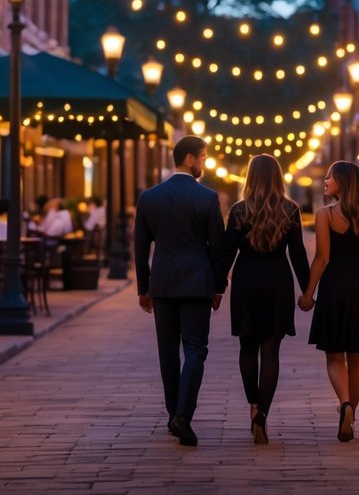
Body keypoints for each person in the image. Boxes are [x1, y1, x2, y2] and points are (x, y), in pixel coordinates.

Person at [133, 135, 225, 447]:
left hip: (163, 283)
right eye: (203, 156)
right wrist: (218, 286)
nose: (204, 162)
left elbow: (140, 247)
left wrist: (143, 288)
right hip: (197, 283)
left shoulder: (149, 198)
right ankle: (183, 414)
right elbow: (218, 248)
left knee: (168, 352)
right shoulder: (207, 198)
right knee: (197, 349)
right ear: (190, 158)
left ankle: (174, 412)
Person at [215, 154, 310, 445]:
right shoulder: (290, 210)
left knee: (247, 348)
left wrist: (217, 288)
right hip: (277, 282)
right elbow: (298, 254)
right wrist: (308, 290)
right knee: (271, 351)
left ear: (250, 177)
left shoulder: (239, 210)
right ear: (278, 178)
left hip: (246, 282)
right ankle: (263, 415)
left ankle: (253, 405)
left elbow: (227, 253)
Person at [298, 160, 359, 443]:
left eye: (329, 178)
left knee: (335, 355)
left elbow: (322, 259)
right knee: (358, 355)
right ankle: (351, 413)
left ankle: (345, 402)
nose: (325, 182)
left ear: (344, 182)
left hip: (334, 286)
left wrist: (308, 293)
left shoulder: (325, 215)